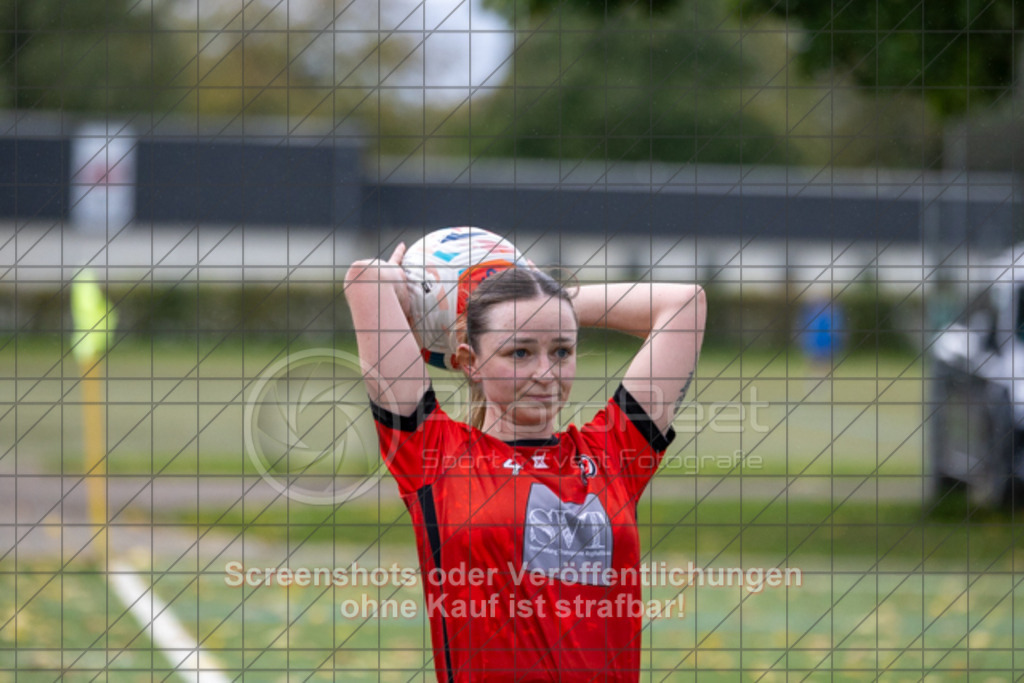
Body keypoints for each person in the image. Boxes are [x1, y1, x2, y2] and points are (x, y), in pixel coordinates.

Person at [345, 242, 706, 682]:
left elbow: (685, 304)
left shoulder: (614, 454)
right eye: (519, 352)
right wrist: (420, 293)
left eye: (561, 351)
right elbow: (365, 280)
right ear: (469, 362)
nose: (545, 373)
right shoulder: (435, 455)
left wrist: (544, 298)